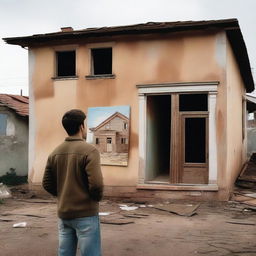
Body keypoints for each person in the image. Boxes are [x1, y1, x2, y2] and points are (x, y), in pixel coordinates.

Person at [42, 109, 104, 256]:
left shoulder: (55, 152)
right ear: (81, 126)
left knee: (65, 253)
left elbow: (46, 183)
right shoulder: (90, 151)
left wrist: (63, 194)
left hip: (64, 214)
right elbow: (96, 184)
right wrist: (94, 199)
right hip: (86, 213)